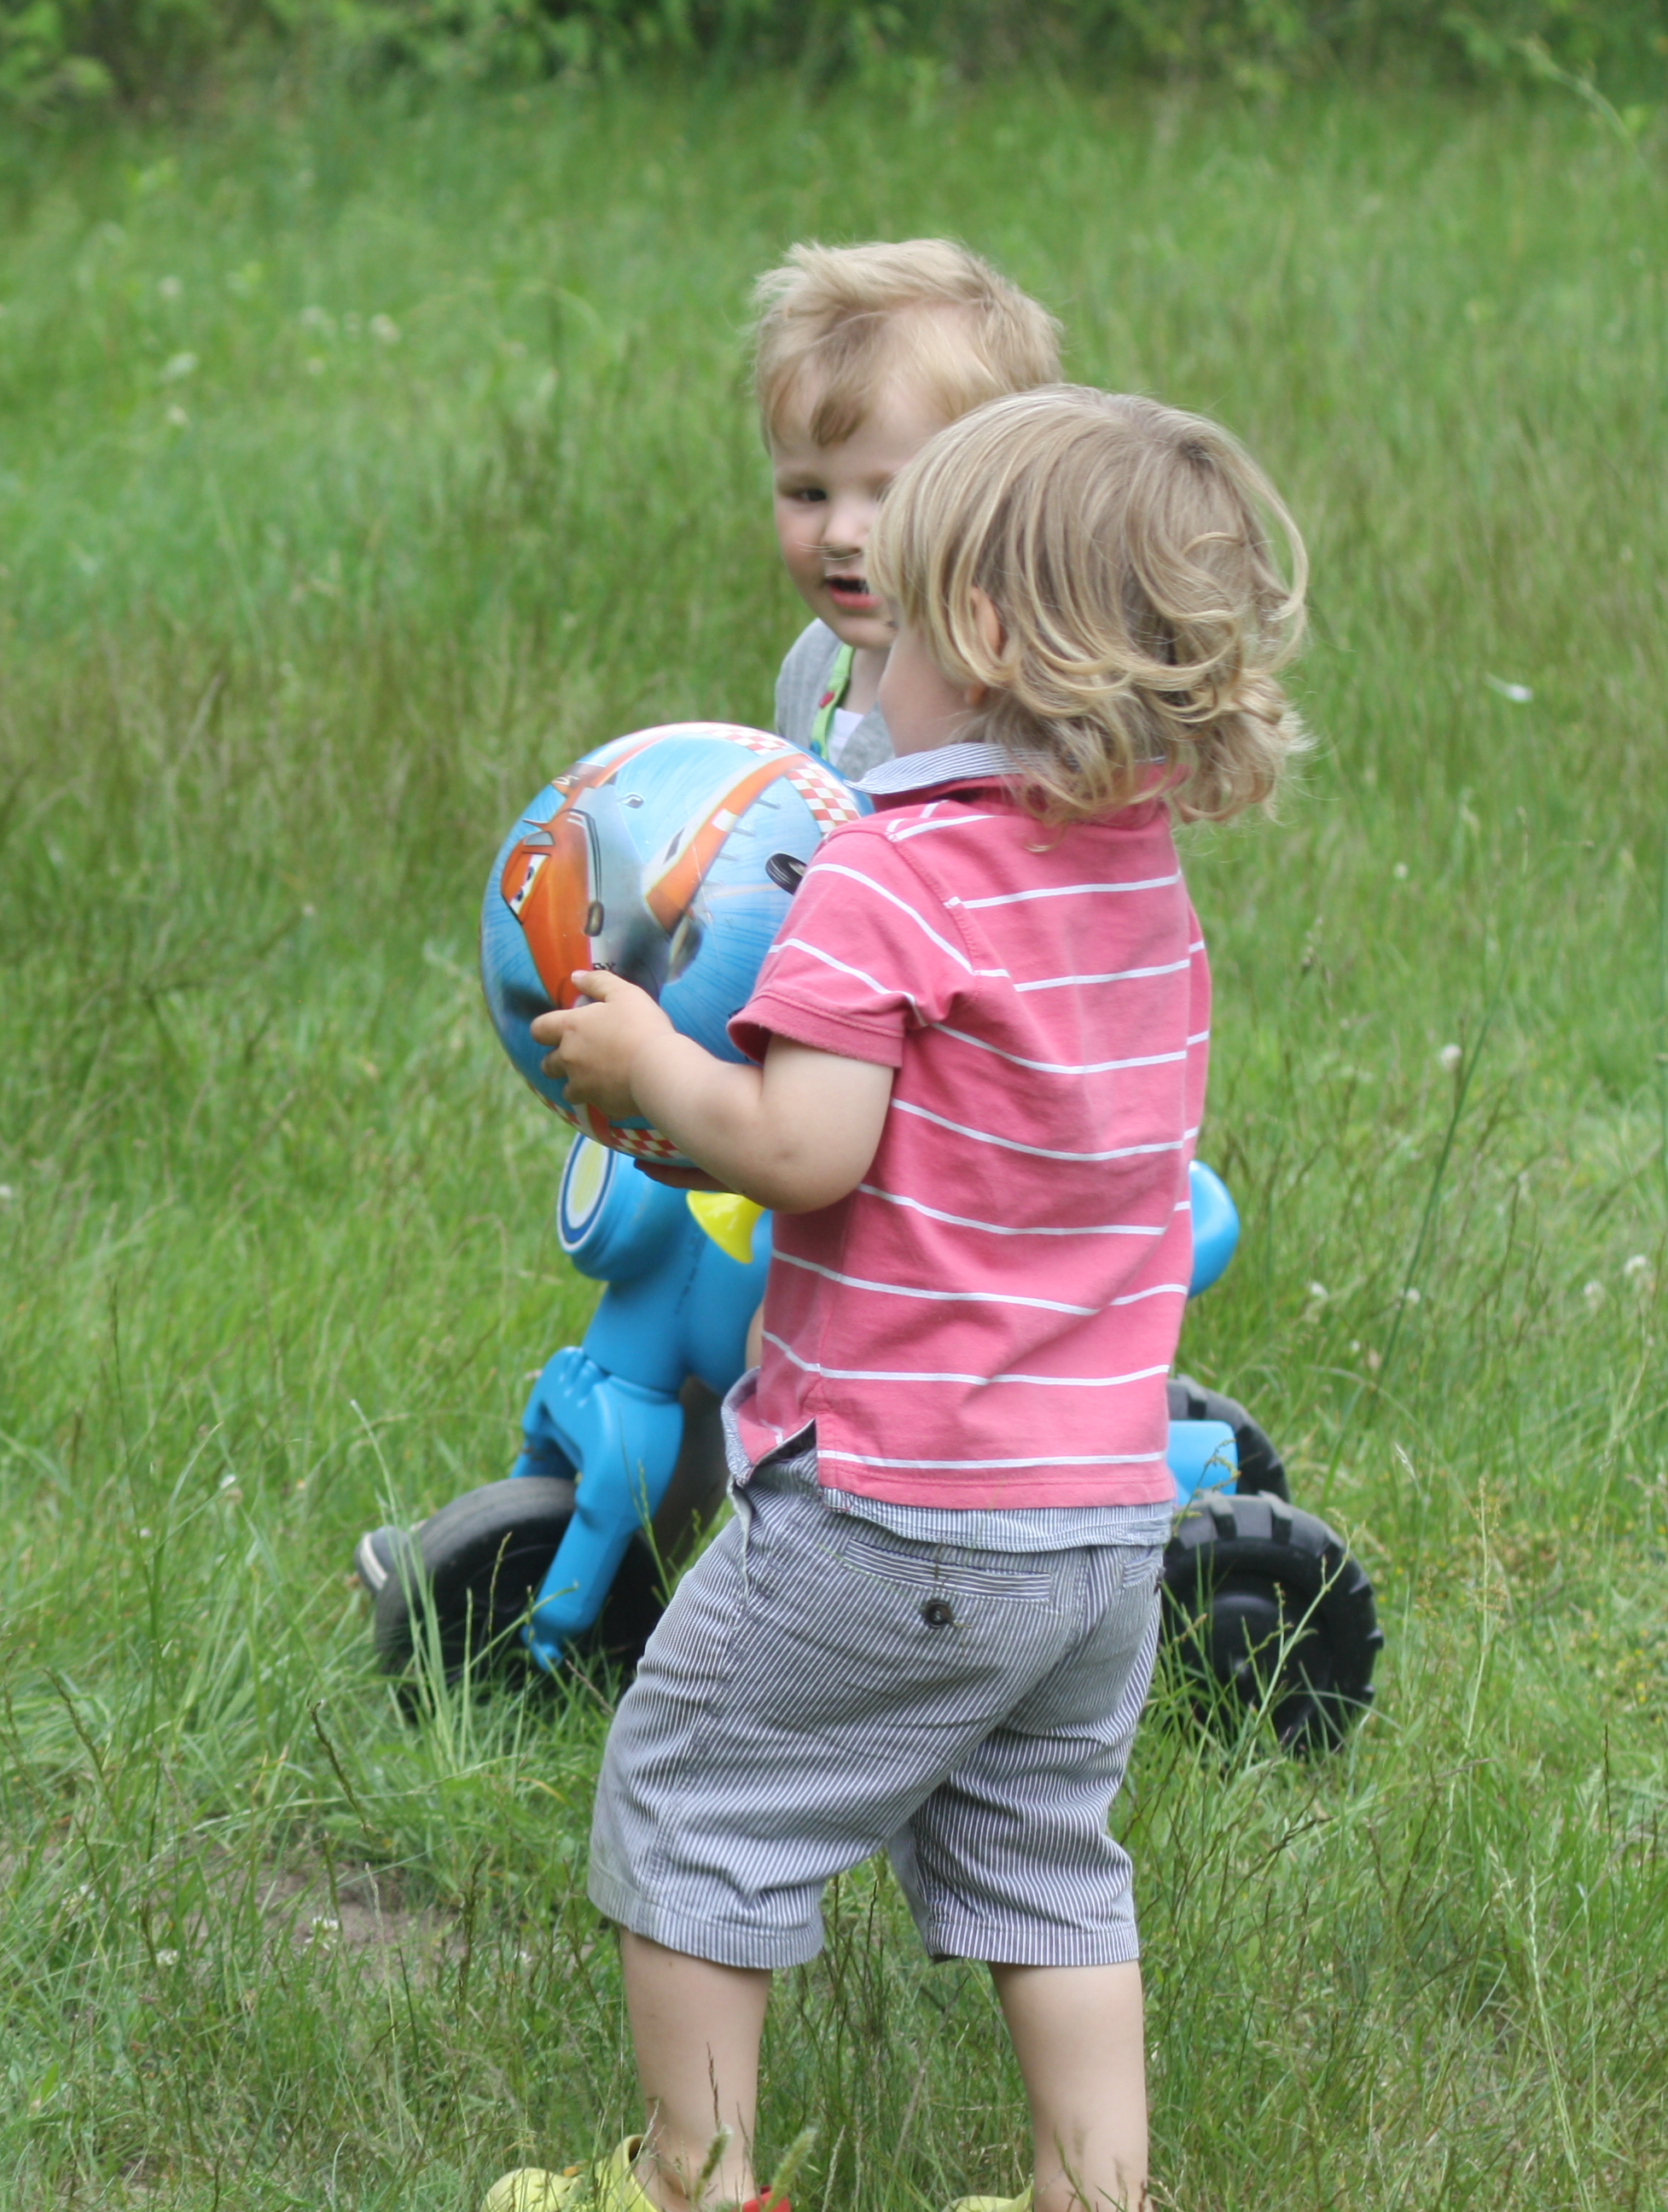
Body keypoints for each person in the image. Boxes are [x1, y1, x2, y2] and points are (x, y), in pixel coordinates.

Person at [493, 387, 1309, 2212]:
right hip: (1096, 1521)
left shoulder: (890, 870)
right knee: (1048, 1868)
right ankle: (1096, 2193)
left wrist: (647, 1064)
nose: (864, 682)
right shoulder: (1138, 876)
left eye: (902, 631)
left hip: (890, 1506)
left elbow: (804, 1152)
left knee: (691, 1810)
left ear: (988, 638)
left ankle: (691, 2181)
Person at [753, 240, 1061, 781]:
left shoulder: (1016, 692)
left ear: (1008, 494)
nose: (841, 533)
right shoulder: (813, 659)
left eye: (893, 496)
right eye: (809, 493)